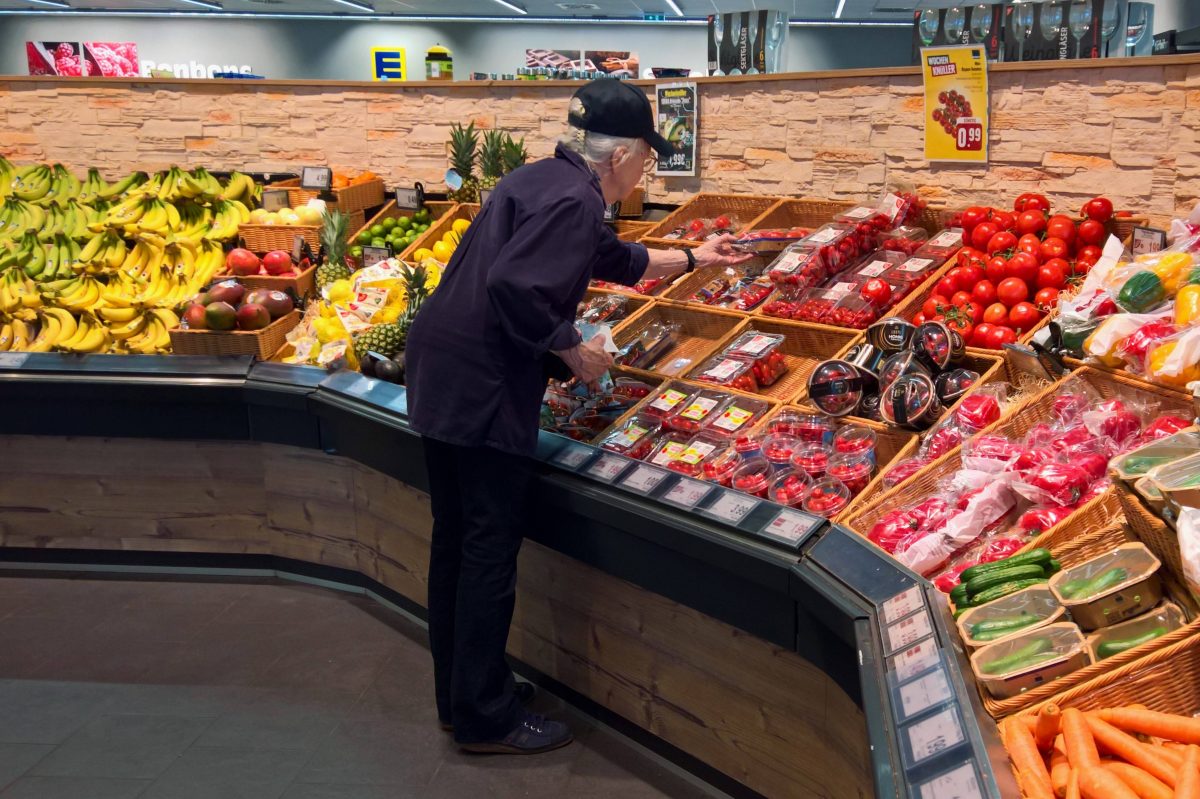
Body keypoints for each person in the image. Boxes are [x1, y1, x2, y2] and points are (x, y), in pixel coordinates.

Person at [404, 79, 751, 755]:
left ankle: (464, 692)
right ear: (618, 156)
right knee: (487, 551)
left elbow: (607, 255)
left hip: (441, 368)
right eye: (645, 159)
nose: (645, 171)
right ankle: (486, 717)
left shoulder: (543, 181)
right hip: (484, 384)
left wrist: (690, 258)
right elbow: (516, 286)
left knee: (454, 541)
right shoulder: (574, 199)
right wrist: (573, 349)